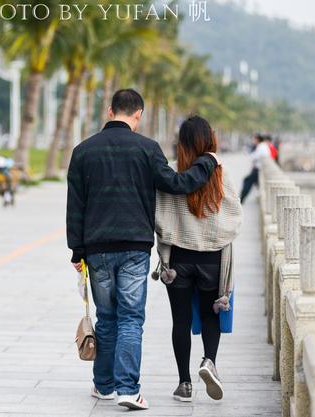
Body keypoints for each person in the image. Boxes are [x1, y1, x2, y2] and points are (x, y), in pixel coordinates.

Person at [66, 89, 220, 411]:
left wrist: (76, 251)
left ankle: (104, 385)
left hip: (96, 249)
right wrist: (207, 163)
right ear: (138, 115)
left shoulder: (83, 151)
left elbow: (75, 206)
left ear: (110, 111)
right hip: (135, 247)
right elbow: (178, 185)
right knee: (131, 318)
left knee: (106, 318)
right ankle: (128, 389)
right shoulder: (147, 149)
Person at [154, 115, 242, 403]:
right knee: (209, 315)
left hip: (178, 261)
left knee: (180, 321)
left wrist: (182, 232)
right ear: (210, 141)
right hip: (213, 260)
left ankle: (184, 384)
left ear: (183, 143)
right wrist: (208, 234)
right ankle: (209, 362)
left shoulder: (172, 174)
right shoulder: (221, 175)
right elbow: (233, 219)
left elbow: (161, 218)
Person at [240, 133, 271, 203]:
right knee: (251, 182)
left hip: (258, 170)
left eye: (254, 139)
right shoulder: (262, 146)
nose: (253, 140)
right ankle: (242, 199)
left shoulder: (261, 147)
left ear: (257, 139)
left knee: (247, 182)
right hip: (259, 169)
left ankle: (241, 199)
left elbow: (254, 157)